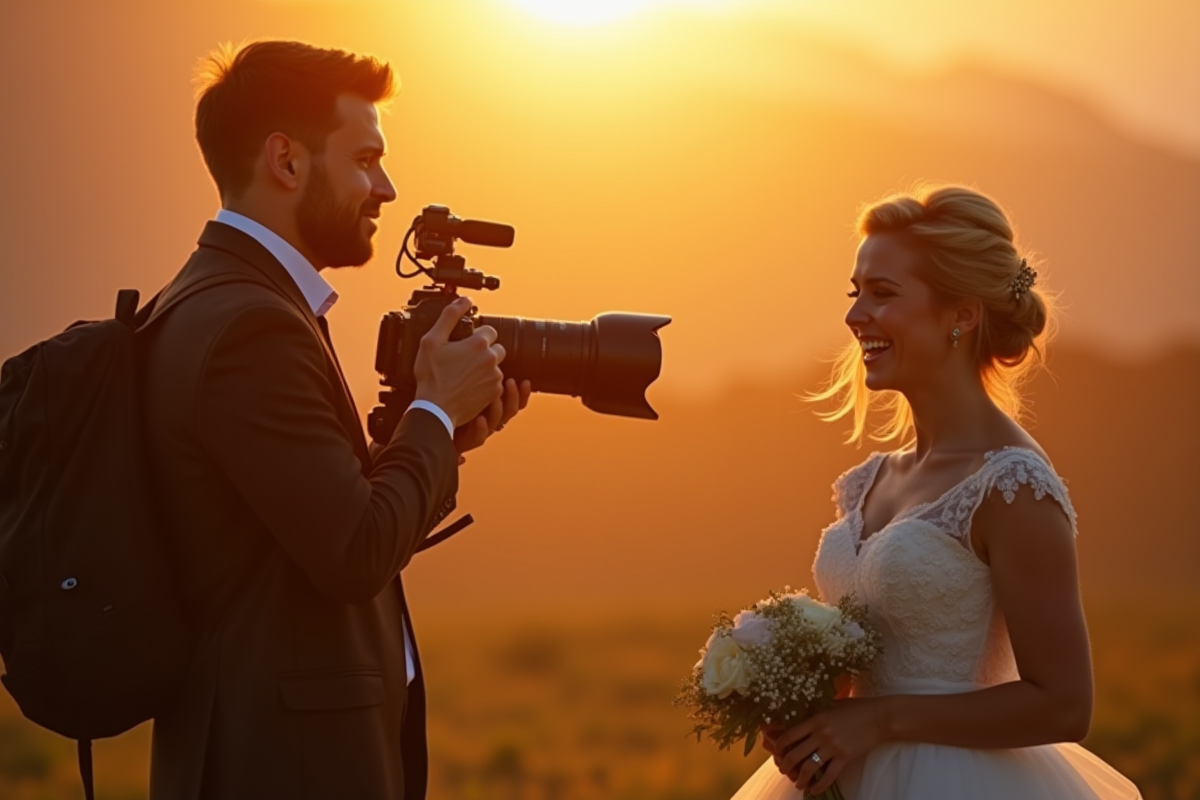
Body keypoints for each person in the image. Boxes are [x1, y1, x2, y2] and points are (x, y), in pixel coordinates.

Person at [139, 40, 529, 800]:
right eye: (364, 159)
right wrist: (432, 411)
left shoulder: (222, 297)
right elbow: (354, 553)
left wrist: (442, 436)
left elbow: (313, 531)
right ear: (285, 160)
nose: (385, 188)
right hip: (284, 765)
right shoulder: (250, 325)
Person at [731, 186, 1140, 799]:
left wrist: (880, 720)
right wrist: (807, 704)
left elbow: (1063, 704)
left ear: (962, 315)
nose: (855, 316)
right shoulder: (869, 480)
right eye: (855, 293)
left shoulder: (1013, 486)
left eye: (883, 293)